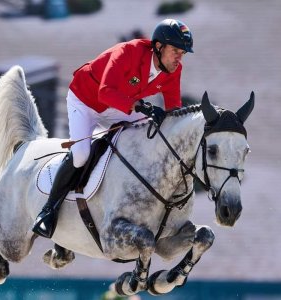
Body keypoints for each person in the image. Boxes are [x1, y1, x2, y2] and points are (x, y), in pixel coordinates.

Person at [32, 18, 194, 238]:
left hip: (119, 107)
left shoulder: (174, 70)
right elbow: (105, 92)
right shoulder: (128, 52)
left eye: (182, 53)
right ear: (158, 46)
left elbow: (174, 108)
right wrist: (143, 107)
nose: (179, 58)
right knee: (80, 155)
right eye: (175, 50)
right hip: (86, 101)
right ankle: (48, 210)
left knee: (144, 141)